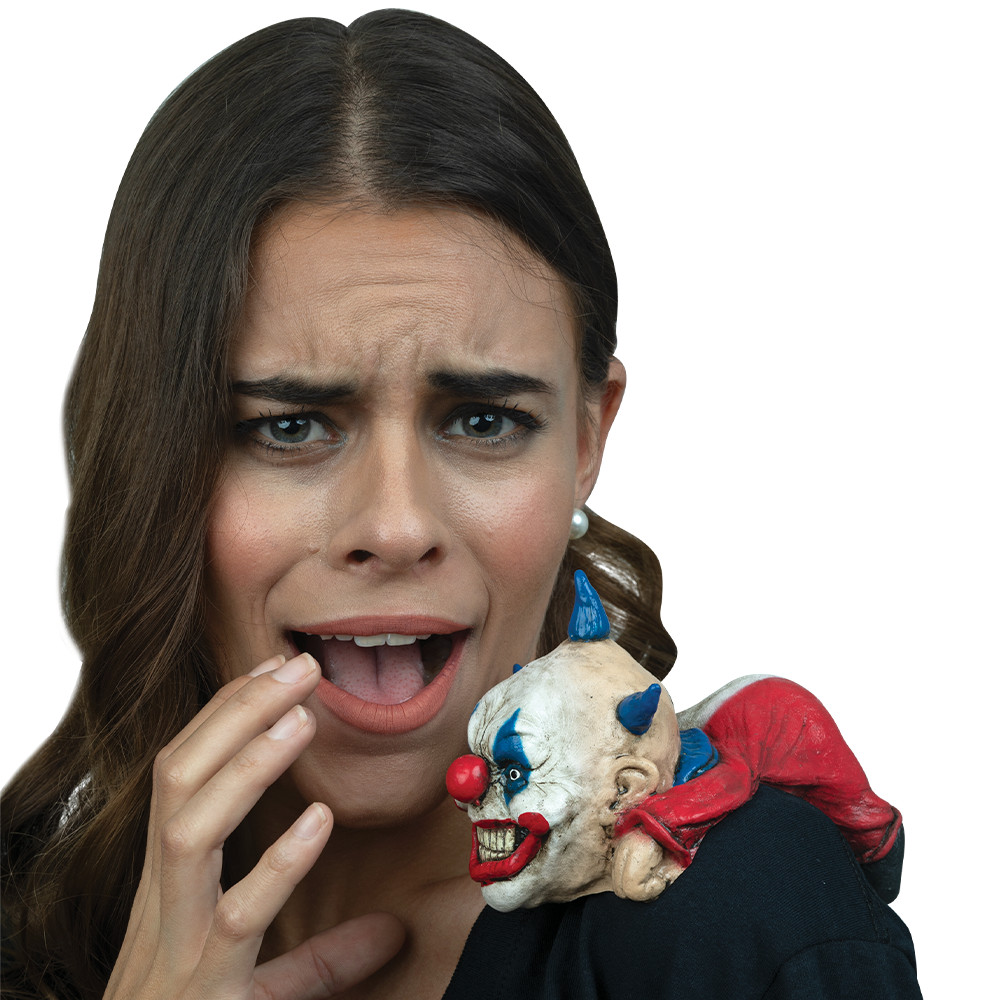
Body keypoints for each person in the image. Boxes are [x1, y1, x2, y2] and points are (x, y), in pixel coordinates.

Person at [0, 11, 921, 999]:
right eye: (290, 426)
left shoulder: (739, 923)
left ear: (586, 440)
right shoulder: (24, 927)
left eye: (483, 421)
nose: (396, 527)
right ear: (148, 454)